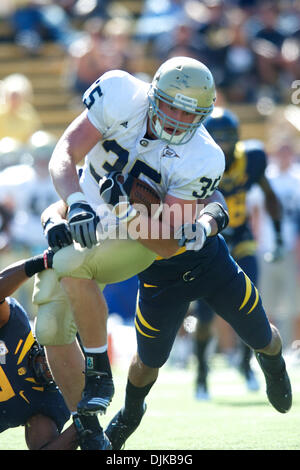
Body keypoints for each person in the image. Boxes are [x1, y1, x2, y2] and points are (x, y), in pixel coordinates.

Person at [32, 56, 291, 450]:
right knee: (145, 363)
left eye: (191, 114)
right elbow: (67, 155)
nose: (178, 119)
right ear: (153, 95)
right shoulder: (120, 94)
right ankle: (124, 413)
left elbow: (169, 242)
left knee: (262, 335)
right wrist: (72, 208)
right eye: (171, 105)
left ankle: (272, 363)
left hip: (199, 259)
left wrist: (126, 210)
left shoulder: (204, 158)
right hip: (154, 268)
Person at [191, 107, 283, 400]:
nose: (223, 145)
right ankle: (202, 374)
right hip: (209, 241)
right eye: (217, 139)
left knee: (251, 303)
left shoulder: (252, 158)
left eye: (227, 138)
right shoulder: (196, 161)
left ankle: (245, 365)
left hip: (241, 238)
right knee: (204, 316)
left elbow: (269, 195)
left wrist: (278, 233)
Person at [0, 250, 78, 450]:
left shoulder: (48, 401)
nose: (54, 367)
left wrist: (86, 421)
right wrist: (40, 262)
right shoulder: (15, 327)